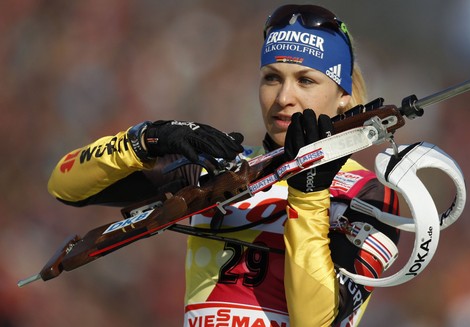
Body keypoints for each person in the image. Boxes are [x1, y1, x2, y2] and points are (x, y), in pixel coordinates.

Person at [47, 4, 400, 326]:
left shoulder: (368, 193)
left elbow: (315, 322)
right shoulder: (219, 170)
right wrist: (147, 139)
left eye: (306, 80)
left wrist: (309, 194)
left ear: (344, 98)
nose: (283, 98)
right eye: (271, 78)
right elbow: (65, 187)